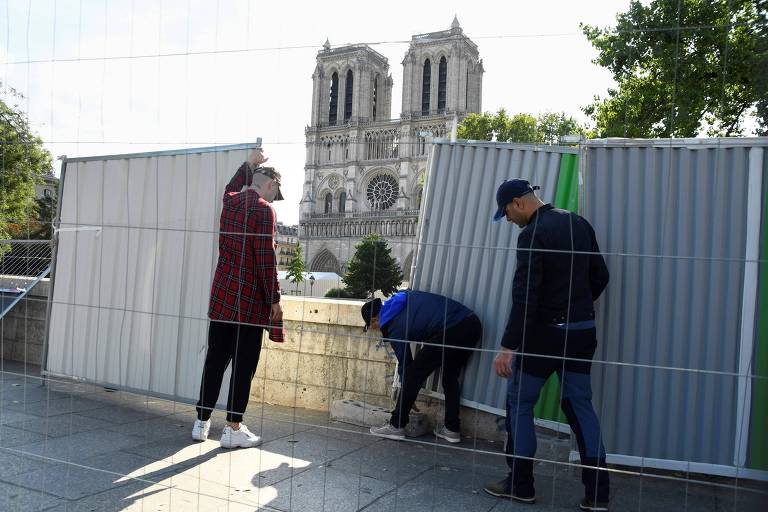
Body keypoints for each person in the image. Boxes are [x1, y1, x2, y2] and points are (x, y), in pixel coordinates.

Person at [483, 179, 611, 511]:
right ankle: (598, 494)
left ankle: (521, 484)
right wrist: (578, 307)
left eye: (507, 213)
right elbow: (601, 276)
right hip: (582, 331)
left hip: (545, 336)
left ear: (518, 203)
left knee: (520, 403)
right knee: (580, 406)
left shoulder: (532, 234)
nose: (508, 220)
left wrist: (509, 346)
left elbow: (526, 296)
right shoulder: (578, 222)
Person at [191, 147, 284, 449]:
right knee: (244, 365)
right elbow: (265, 259)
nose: (274, 200)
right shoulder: (264, 210)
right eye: (275, 193)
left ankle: (201, 422)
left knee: (215, 359)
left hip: (222, 297)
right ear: (270, 186)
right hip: (249, 303)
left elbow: (231, 187)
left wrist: (249, 164)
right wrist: (275, 299)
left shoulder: (230, 203)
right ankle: (233, 427)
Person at [362, 290, 482, 443]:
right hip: (472, 324)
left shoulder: (393, 325)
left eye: (372, 326)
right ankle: (452, 429)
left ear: (375, 319)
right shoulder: (401, 300)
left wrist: (407, 396)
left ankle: (396, 426)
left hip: (452, 328)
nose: (375, 329)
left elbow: (406, 364)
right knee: (450, 377)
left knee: (413, 374)